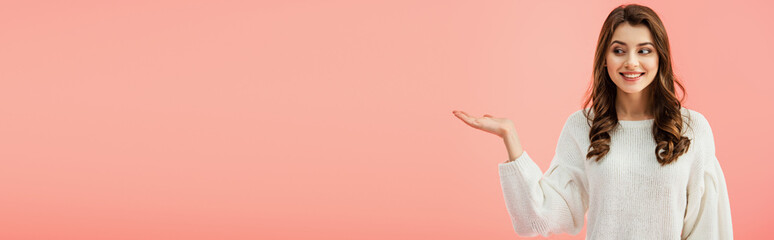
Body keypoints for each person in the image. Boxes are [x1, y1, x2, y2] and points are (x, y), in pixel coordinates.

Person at [452, 4, 732, 240]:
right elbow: (537, 219)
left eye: (644, 51)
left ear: (660, 58)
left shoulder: (692, 128)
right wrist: (509, 135)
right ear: (604, 59)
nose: (631, 62)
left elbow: (707, 227)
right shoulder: (582, 127)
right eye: (619, 50)